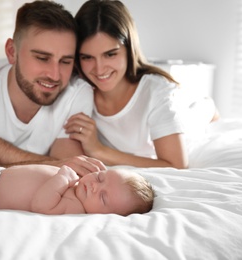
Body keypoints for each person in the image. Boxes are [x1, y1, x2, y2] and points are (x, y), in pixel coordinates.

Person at [0, 1, 105, 175]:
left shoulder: (77, 92)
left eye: (65, 61)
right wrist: (50, 164)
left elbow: (67, 172)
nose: (55, 75)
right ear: (11, 52)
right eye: (42, 58)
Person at [64, 0, 218, 169]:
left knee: (202, 110)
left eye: (110, 54)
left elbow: (177, 165)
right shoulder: (77, 90)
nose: (99, 69)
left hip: (189, 114)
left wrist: (99, 150)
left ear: (129, 50)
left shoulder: (157, 92)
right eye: (87, 57)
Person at [0, 164, 155, 216]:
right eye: (100, 177)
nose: (93, 185)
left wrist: (62, 177)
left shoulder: (75, 207)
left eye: (103, 196)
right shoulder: (78, 187)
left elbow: (41, 204)